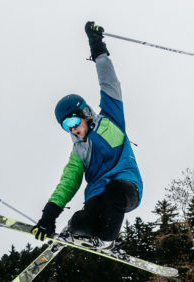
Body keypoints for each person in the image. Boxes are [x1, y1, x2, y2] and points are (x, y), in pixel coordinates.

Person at [31, 21, 143, 250]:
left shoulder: (111, 119)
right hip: (97, 197)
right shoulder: (78, 152)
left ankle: (107, 240)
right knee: (84, 221)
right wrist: (48, 216)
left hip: (125, 189)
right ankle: (75, 230)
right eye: (66, 126)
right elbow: (67, 183)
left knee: (114, 191)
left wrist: (96, 45)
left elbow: (109, 81)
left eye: (72, 121)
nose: (72, 129)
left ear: (84, 113)